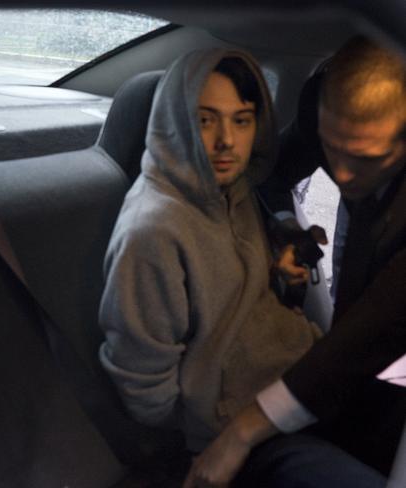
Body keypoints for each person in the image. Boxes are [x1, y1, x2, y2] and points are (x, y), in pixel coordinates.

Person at [186, 35, 406, 487]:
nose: (341, 175)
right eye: (332, 149)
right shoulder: (321, 115)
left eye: (367, 158)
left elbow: (378, 324)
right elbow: (271, 177)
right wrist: (291, 233)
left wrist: (244, 432)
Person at [98, 49, 323, 478]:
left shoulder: (233, 191)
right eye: (205, 120)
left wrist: (277, 270)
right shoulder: (152, 232)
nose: (227, 141)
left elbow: (232, 294)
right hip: (235, 435)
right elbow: (144, 388)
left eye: (242, 120)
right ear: (175, 123)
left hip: (299, 385)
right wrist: (206, 428)